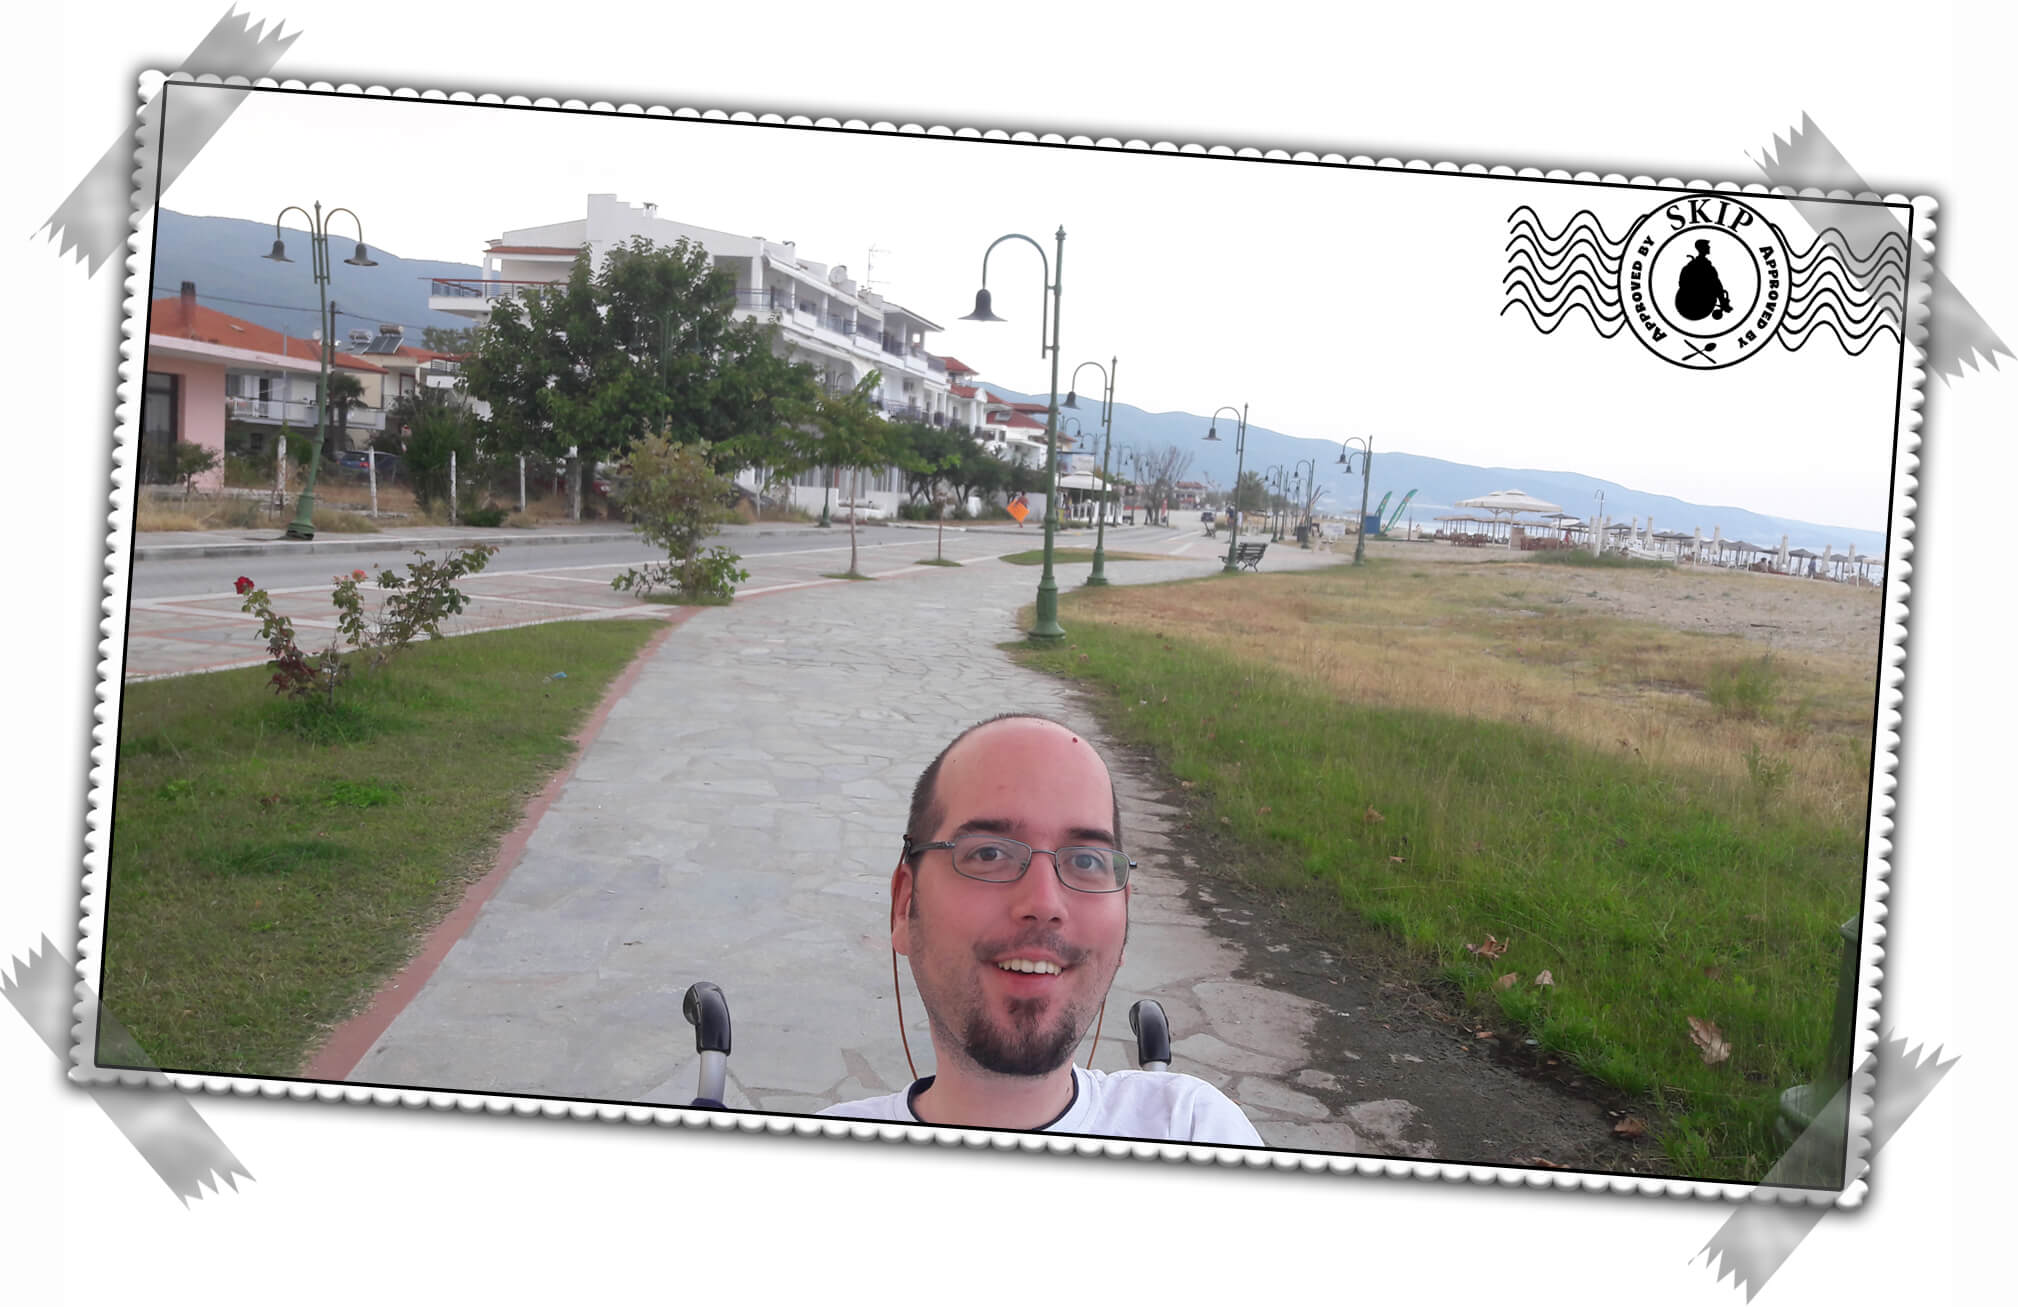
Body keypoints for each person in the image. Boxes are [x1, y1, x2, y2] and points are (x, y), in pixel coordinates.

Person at [821, 714, 1265, 1145]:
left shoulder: (1193, 1125)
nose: (1044, 904)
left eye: (1087, 860)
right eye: (989, 854)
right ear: (904, 905)